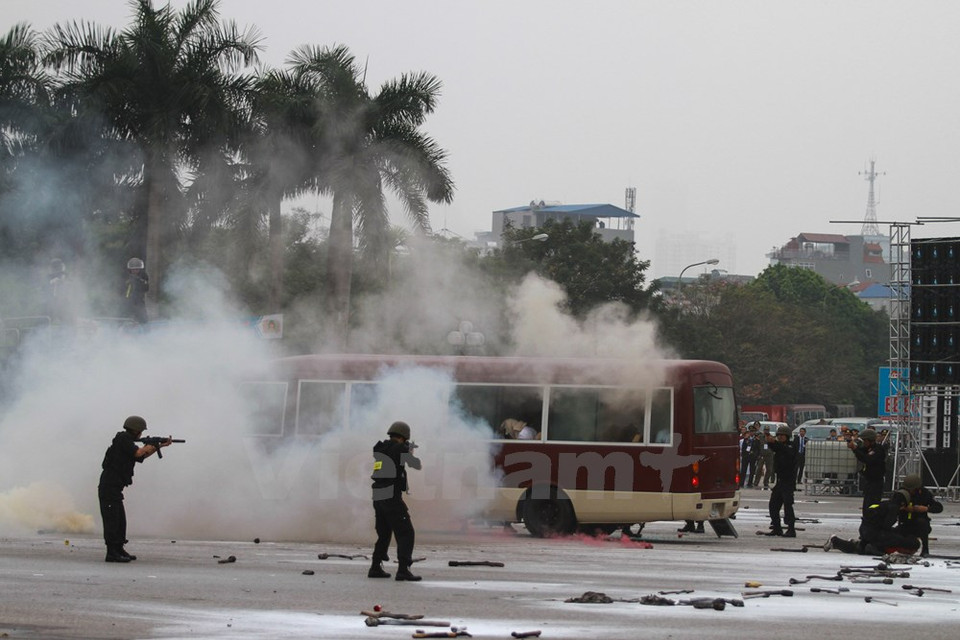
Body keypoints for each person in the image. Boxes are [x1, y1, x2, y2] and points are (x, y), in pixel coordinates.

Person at [98, 416, 172, 563]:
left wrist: (160, 446)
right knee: (112, 521)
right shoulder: (123, 439)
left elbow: (141, 456)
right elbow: (139, 452)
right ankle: (111, 553)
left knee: (120, 521)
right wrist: (153, 445)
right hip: (109, 488)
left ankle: (119, 549)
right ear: (136, 430)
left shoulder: (127, 444)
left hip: (115, 489)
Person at [369, 420, 423, 581]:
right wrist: (410, 451)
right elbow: (416, 465)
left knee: (384, 533)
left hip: (378, 495)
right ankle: (403, 569)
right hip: (390, 495)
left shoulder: (380, 448)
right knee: (406, 532)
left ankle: (375, 567)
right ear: (404, 437)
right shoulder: (400, 448)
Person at [824, 490, 920, 555]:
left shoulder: (885, 503)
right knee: (896, 538)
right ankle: (874, 547)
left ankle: (836, 541)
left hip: (865, 529)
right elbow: (886, 526)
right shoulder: (894, 508)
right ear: (903, 503)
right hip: (873, 532)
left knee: (859, 549)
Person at [762, 425, 797, 537]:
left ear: (787, 436)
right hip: (780, 481)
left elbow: (785, 450)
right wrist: (770, 441)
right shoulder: (780, 446)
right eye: (778, 435)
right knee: (773, 505)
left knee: (788, 505)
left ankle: (791, 529)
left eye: (782, 435)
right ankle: (777, 528)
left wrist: (775, 443)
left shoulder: (791, 446)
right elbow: (775, 447)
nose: (780, 437)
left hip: (788, 481)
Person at [896, 473, 944, 557]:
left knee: (922, 522)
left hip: (919, 525)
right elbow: (892, 506)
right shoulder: (901, 494)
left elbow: (938, 507)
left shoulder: (925, 494)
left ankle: (925, 549)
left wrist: (926, 509)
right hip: (904, 525)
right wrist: (903, 508)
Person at [848, 428, 886, 512]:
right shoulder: (868, 449)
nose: (864, 443)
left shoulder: (877, 449)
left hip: (876, 483)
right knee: (866, 506)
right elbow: (861, 453)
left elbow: (867, 459)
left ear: (870, 440)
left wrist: (855, 449)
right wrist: (853, 446)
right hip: (869, 482)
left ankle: (873, 521)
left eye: (865, 441)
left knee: (873, 506)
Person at [122, 257, 149, 324]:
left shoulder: (143, 276)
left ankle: (144, 331)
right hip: (127, 301)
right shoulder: (126, 276)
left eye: (137, 269)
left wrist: (138, 281)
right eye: (133, 269)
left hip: (139, 301)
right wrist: (129, 282)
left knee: (143, 318)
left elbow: (146, 288)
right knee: (124, 316)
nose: (135, 271)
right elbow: (122, 287)